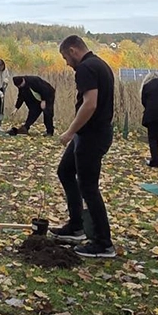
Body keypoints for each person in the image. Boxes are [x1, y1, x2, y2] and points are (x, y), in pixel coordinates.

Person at [52, 35, 116, 258]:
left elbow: (90, 104)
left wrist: (70, 131)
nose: (66, 63)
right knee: (65, 171)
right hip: (90, 134)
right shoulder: (100, 64)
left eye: (65, 57)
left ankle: (103, 243)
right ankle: (76, 226)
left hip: (92, 136)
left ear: (73, 50)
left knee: (88, 187)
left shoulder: (86, 68)